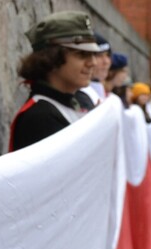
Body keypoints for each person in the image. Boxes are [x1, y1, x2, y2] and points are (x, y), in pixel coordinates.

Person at [9, 11, 107, 152]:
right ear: (52, 59)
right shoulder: (40, 117)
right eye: (82, 54)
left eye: (93, 54)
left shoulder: (82, 100)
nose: (92, 63)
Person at [80, 32, 111, 105]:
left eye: (108, 55)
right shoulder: (80, 92)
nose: (106, 61)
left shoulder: (102, 90)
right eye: (99, 56)